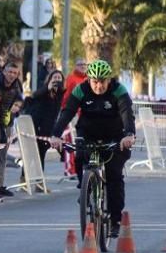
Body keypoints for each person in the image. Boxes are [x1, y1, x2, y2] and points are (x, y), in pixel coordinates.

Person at [50, 60, 136, 238]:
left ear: (109, 80)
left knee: (114, 175)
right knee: (80, 155)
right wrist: (55, 134)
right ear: (89, 79)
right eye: (95, 81)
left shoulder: (118, 90)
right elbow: (67, 112)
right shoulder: (81, 89)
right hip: (88, 131)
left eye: (103, 81)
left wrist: (129, 135)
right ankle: (85, 187)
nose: (99, 85)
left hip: (115, 135)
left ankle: (115, 219)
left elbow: (127, 113)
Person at [0, 61, 24, 197]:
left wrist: (17, 106)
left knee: (2, 156)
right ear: (4, 72)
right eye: (9, 72)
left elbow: (21, 100)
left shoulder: (16, 85)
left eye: (15, 73)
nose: (12, 75)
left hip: (6, 123)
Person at [23, 68, 64, 170]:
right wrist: (48, 88)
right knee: (32, 154)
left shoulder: (60, 94)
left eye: (59, 78)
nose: (57, 80)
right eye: (54, 77)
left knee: (41, 154)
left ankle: (39, 183)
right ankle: (25, 177)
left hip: (48, 130)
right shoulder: (43, 91)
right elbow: (34, 96)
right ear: (49, 79)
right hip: (36, 127)